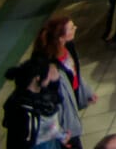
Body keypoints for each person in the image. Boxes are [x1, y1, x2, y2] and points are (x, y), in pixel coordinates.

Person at [32, 17, 94, 149]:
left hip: (72, 99)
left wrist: (86, 92)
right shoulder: (49, 64)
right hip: (64, 115)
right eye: (71, 28)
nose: (75, 28)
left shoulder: (68, 47)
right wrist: (60, 132)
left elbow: (75, 72)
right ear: (61, 38)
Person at [1, 58, 64, 149]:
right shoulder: (22, 109)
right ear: (37, 78)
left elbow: (57, 100)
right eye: (47, 74)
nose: (50, 77)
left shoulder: (43, 95)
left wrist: (61, 136)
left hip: (51, 143)